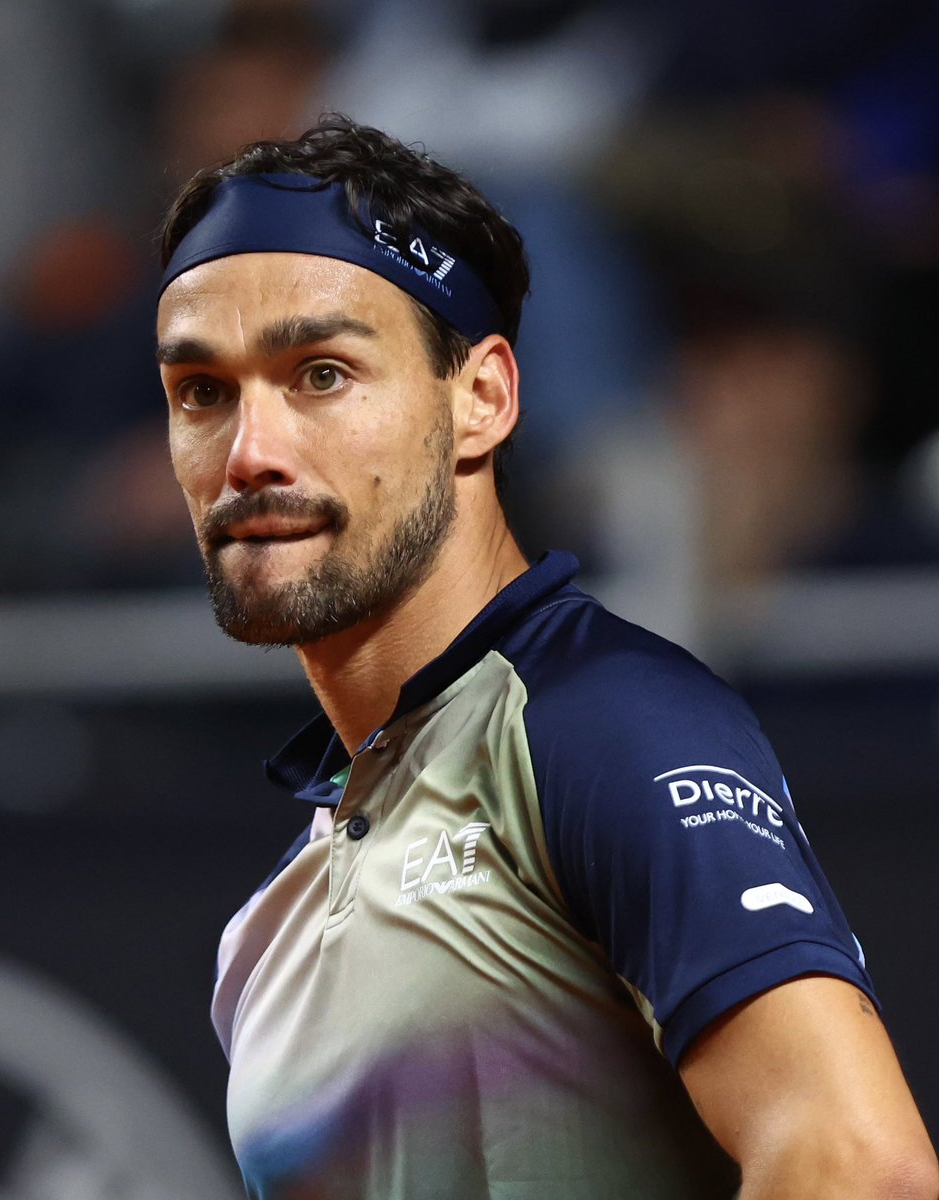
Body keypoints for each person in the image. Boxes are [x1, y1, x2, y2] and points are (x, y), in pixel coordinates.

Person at [156, 115, 938, 1200]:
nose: (249, 452)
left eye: (323, 373)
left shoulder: (599, 720)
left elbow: (859, 1164)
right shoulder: (262, 934)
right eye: (202, 392)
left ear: (481, 399)